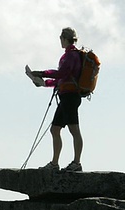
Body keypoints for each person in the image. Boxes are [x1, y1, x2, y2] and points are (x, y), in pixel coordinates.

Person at [25, 27, 84, 171]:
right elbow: (62, 78)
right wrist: (44, 82)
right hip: (66, 97)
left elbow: (61, 73)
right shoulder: (70, 55)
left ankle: (76, 163)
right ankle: (55, 163)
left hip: (70, 97)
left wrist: (43, 73)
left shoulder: (71, 56)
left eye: (61, 39)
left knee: (74, 130)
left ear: (64, 38)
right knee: (55, 129)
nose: (60, 41)